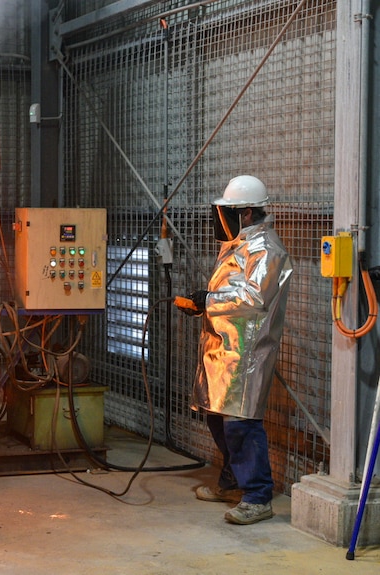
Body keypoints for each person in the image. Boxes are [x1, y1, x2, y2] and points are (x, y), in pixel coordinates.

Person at [178, 175, 293, 525]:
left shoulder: (267, 250)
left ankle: (258, 496)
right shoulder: (238, 243)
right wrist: (203, 303)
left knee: (241, 423)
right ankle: (231, 482)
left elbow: (253, 298)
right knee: (216, 415)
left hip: (247, 350)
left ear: (244, 213)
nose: (221, 217)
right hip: (222, 346)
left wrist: (208, 299)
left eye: (227, 211)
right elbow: (231, 288)